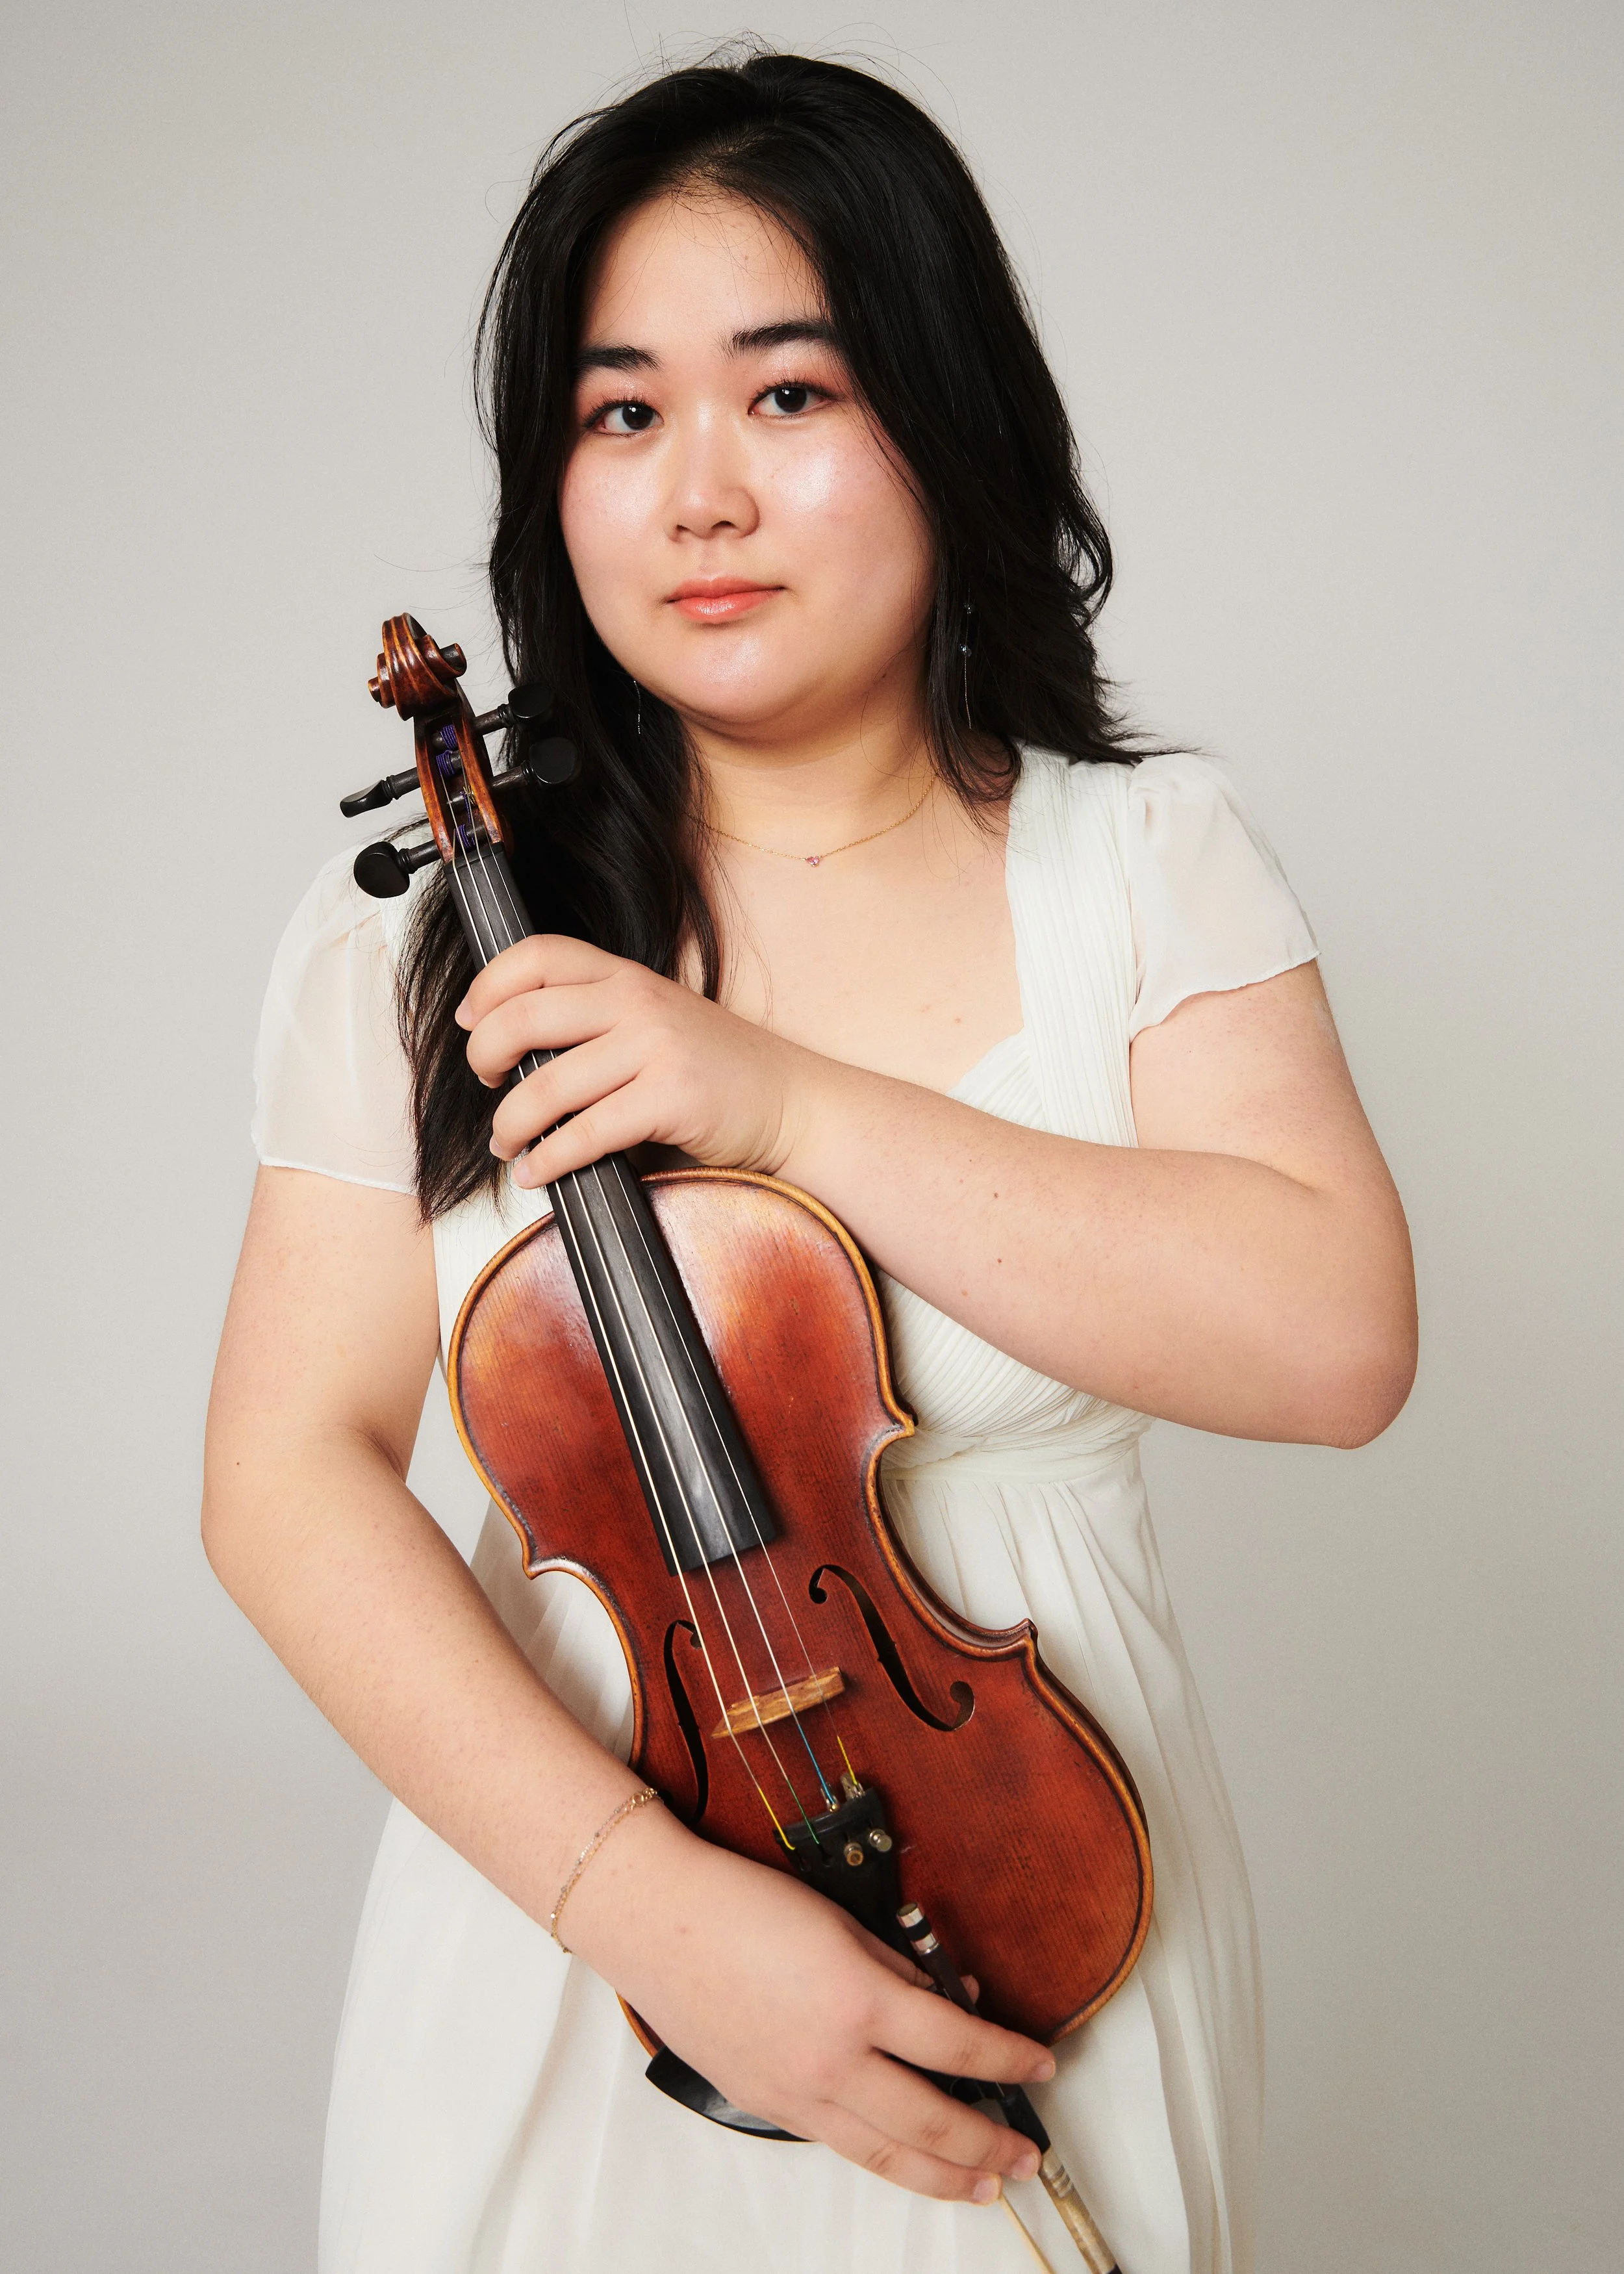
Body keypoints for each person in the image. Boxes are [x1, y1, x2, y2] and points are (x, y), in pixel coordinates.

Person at [203, 51, 1415, 2274]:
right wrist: (645, 1903)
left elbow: (1333, 1341)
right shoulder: (428, 934)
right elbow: (285, 1470)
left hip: (1044, 1894)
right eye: (620, 413)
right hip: (577, 1937)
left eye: (786, 394)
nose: (698, 496)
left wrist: (772, 1101)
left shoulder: (1140, 862)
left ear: (945, 423)